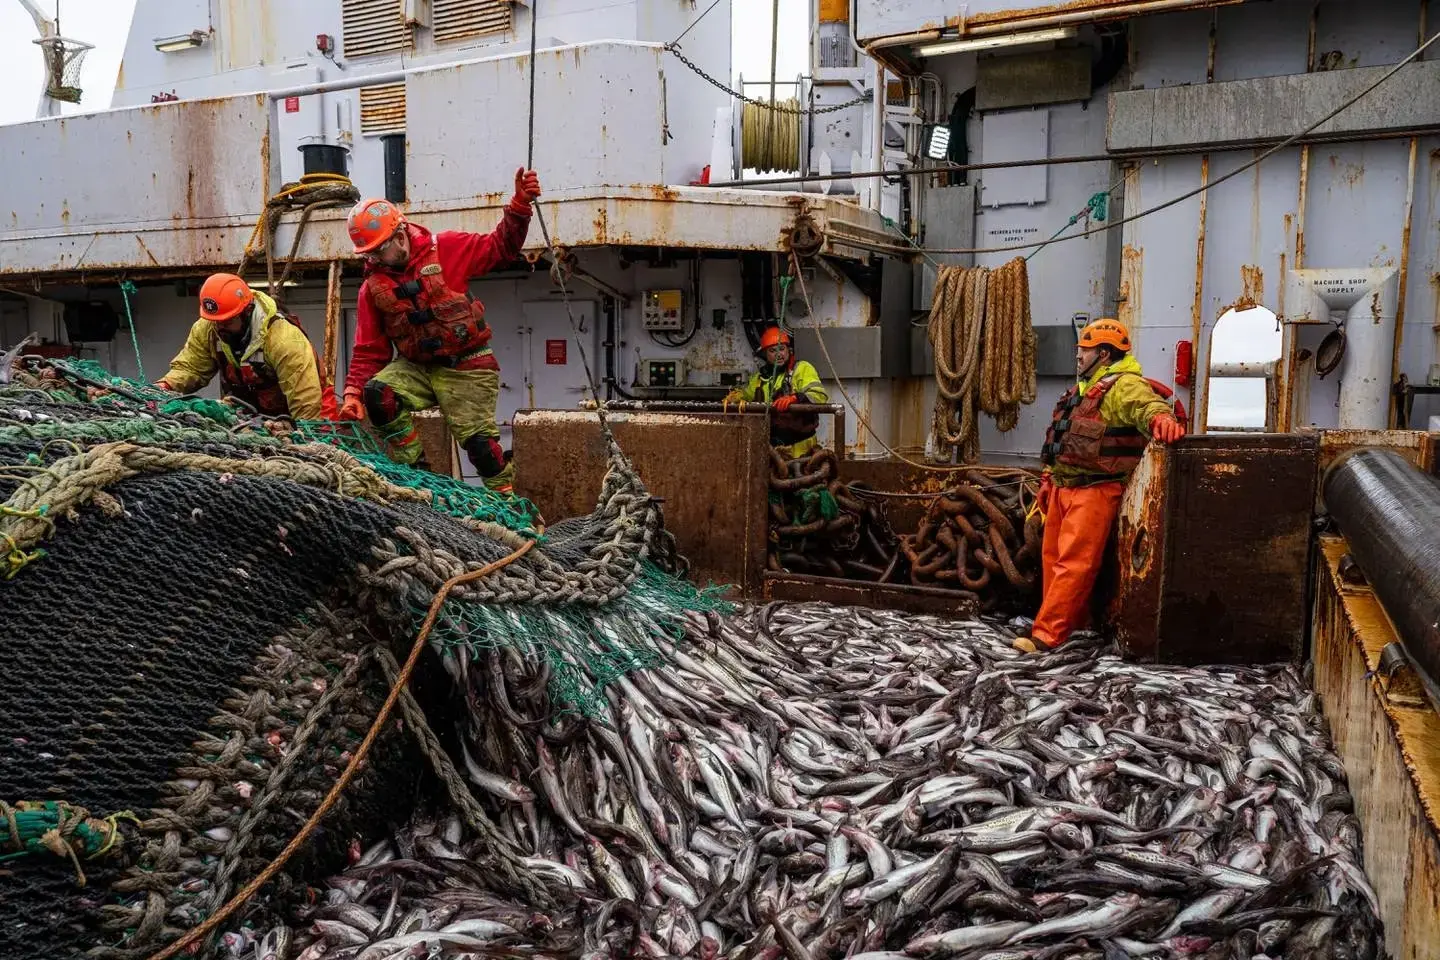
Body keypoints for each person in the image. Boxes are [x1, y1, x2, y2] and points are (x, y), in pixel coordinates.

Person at [339, 168, 542, 493]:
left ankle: (507, 501)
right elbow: (368, 351)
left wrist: (519, 205)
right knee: (379, 394)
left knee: (479, 446)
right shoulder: (372, 288)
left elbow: (500, 248)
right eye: (371, 253)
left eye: (381, 249)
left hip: (468, 364)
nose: (377, 257)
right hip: (418, 368)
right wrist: (352, 394)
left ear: (400, 234)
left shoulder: (446, 248)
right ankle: (417, 473)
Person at [1014, 318, 1186, 654]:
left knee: (1074, 563)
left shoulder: (1123, 386)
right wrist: (1049, 478)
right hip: (1063, 488)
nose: (1078, 356)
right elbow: (1063, 441)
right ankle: (1076, 626)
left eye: (1085, 350)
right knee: (1052, 559)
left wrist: (1161, 419)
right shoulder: (1083, 389)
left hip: (1095, 491)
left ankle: (1046, 637)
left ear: (1104, 353)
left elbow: (1146, 405)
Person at [157, 272, 335, 420]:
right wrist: (165, 386)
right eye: (215, 322)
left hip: (309, 409)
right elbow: (192, 368)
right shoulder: (209, 328)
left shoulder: (283, 340)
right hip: (251, 414)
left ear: (247, 312)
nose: (220, 328)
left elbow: (306, 400)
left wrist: (305, 438)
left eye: (226, 322)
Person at [723, 326, 830, 459]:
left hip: (801, 448)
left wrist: (796, 398)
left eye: (782, 348)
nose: (779, 354)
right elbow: (746, 395)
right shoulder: (759, 379)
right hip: (771, 449)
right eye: (773, 350)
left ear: (788, 350)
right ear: (765, 355)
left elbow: (819, 395)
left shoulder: (801, 369)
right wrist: (736, 397)